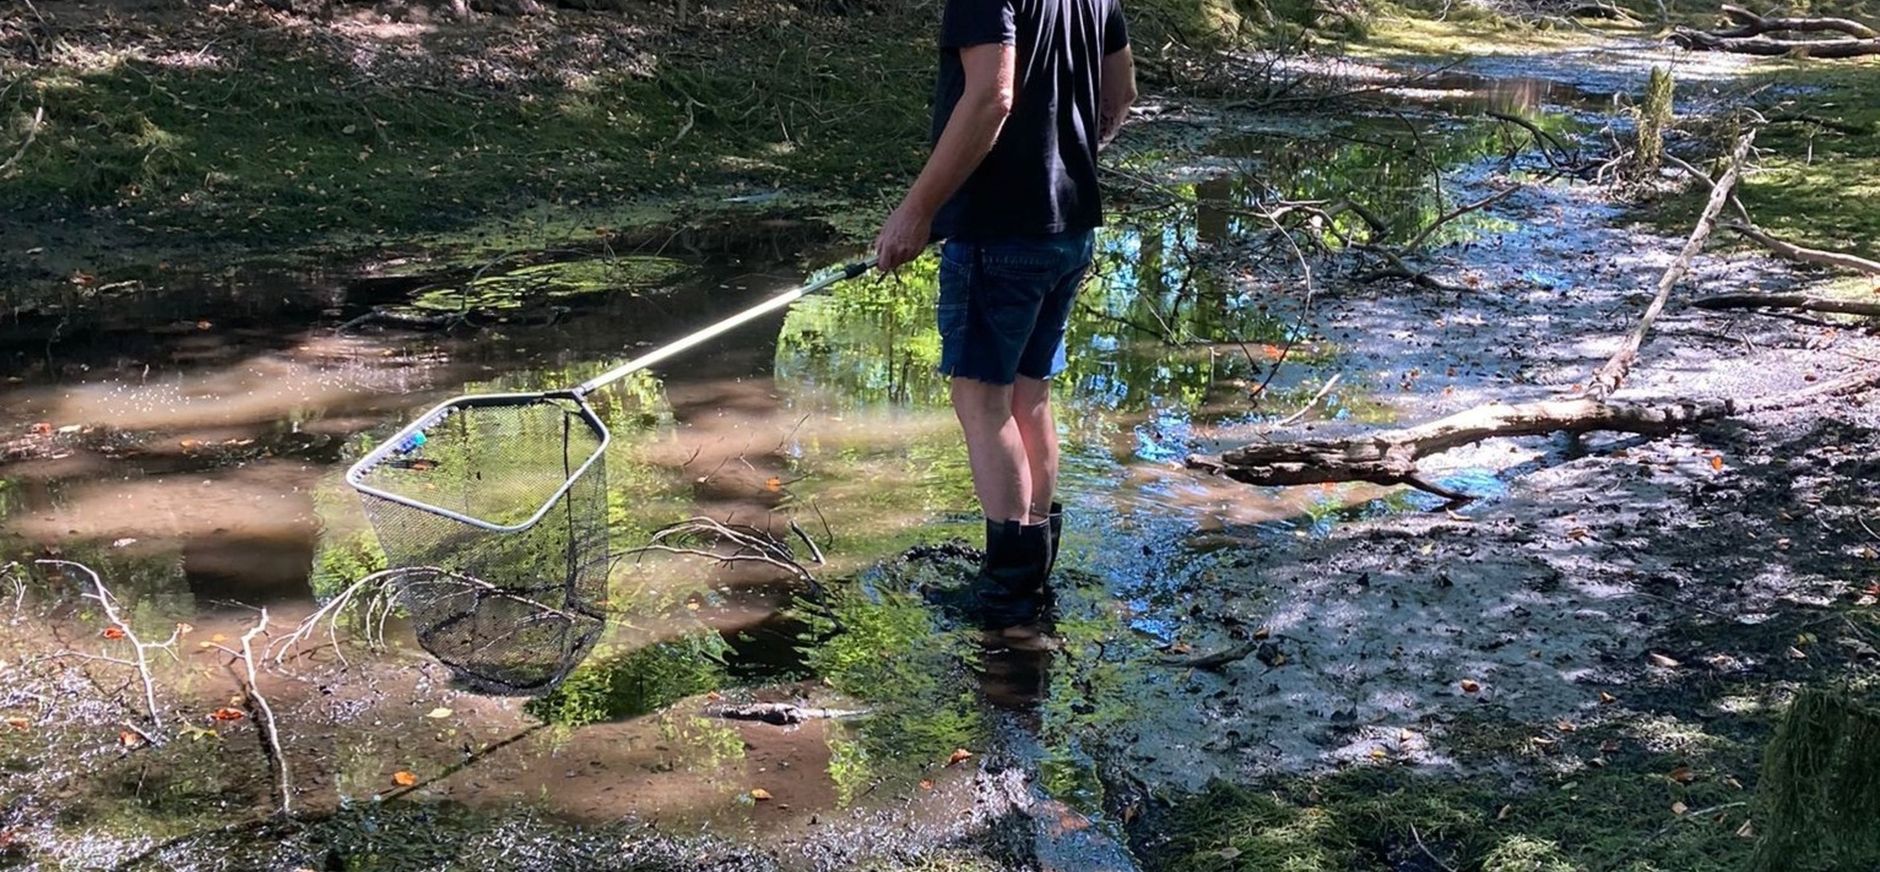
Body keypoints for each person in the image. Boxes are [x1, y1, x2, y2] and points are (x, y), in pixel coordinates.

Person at [874, 0, 1137, 628]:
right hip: (1069, 226)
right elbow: (1122, 90)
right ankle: (1034, 566)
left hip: (1000, 234)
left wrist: (917, 211)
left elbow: (991, 97)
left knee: (983, 403)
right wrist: (1070, 152)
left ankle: (1010, 593)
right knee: (1029, 395)